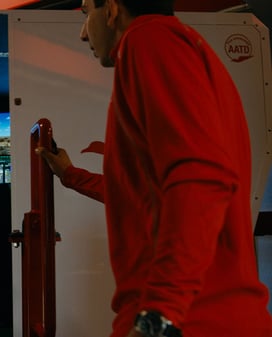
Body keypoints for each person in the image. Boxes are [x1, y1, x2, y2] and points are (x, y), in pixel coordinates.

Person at [36, 0, 272, 336]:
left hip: (191, 318)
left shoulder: (148, 39)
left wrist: (158, 317)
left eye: (87, 13)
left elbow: (200, 177)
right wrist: (71, 176)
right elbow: (144, 196)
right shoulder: (181, 49)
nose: (83, 33)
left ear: (112, 10)